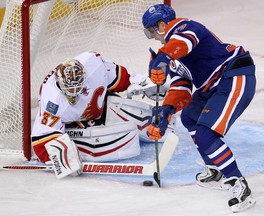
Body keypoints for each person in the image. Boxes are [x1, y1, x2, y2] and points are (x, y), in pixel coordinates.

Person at [142, 4, 256, 213]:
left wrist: (164, 57)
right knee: (190, 117)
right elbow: (181, 88)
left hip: (234, 75)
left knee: (205, 134)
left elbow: (184, 42)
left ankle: (239, 184)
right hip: (213, 86)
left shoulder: (184, 27)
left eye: (152, 31)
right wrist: (166, 110)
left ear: (161, 24)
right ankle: (215, 169)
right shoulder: (172, 54)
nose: (153, 37)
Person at [31, 51, 169, 178]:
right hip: (75, 123)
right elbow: (41, 139)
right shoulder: (52, 102)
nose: (75, 92)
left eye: (78, 87)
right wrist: (61, 157)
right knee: (114, 141)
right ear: (60, 82)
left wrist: (139, 83)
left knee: (124, 109)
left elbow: (119, 77)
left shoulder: (94, 64)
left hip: (97, 107)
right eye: (70, 88)